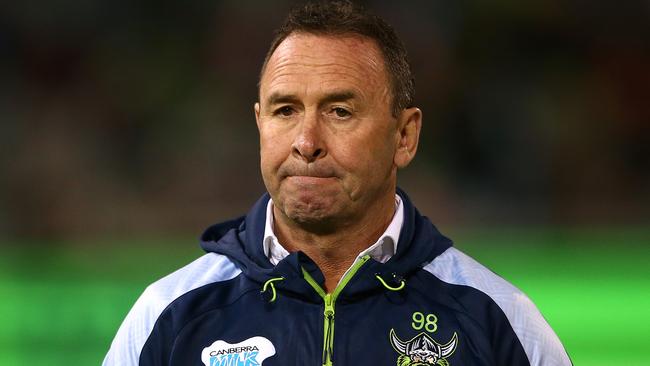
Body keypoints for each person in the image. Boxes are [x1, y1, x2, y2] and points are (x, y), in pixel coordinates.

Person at [103, 1, 572, 365]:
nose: (306, 142)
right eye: (285, 110)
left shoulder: (499, 320)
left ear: (404, 136)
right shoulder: (167, 314)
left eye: (339, 112)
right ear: (259, 124)